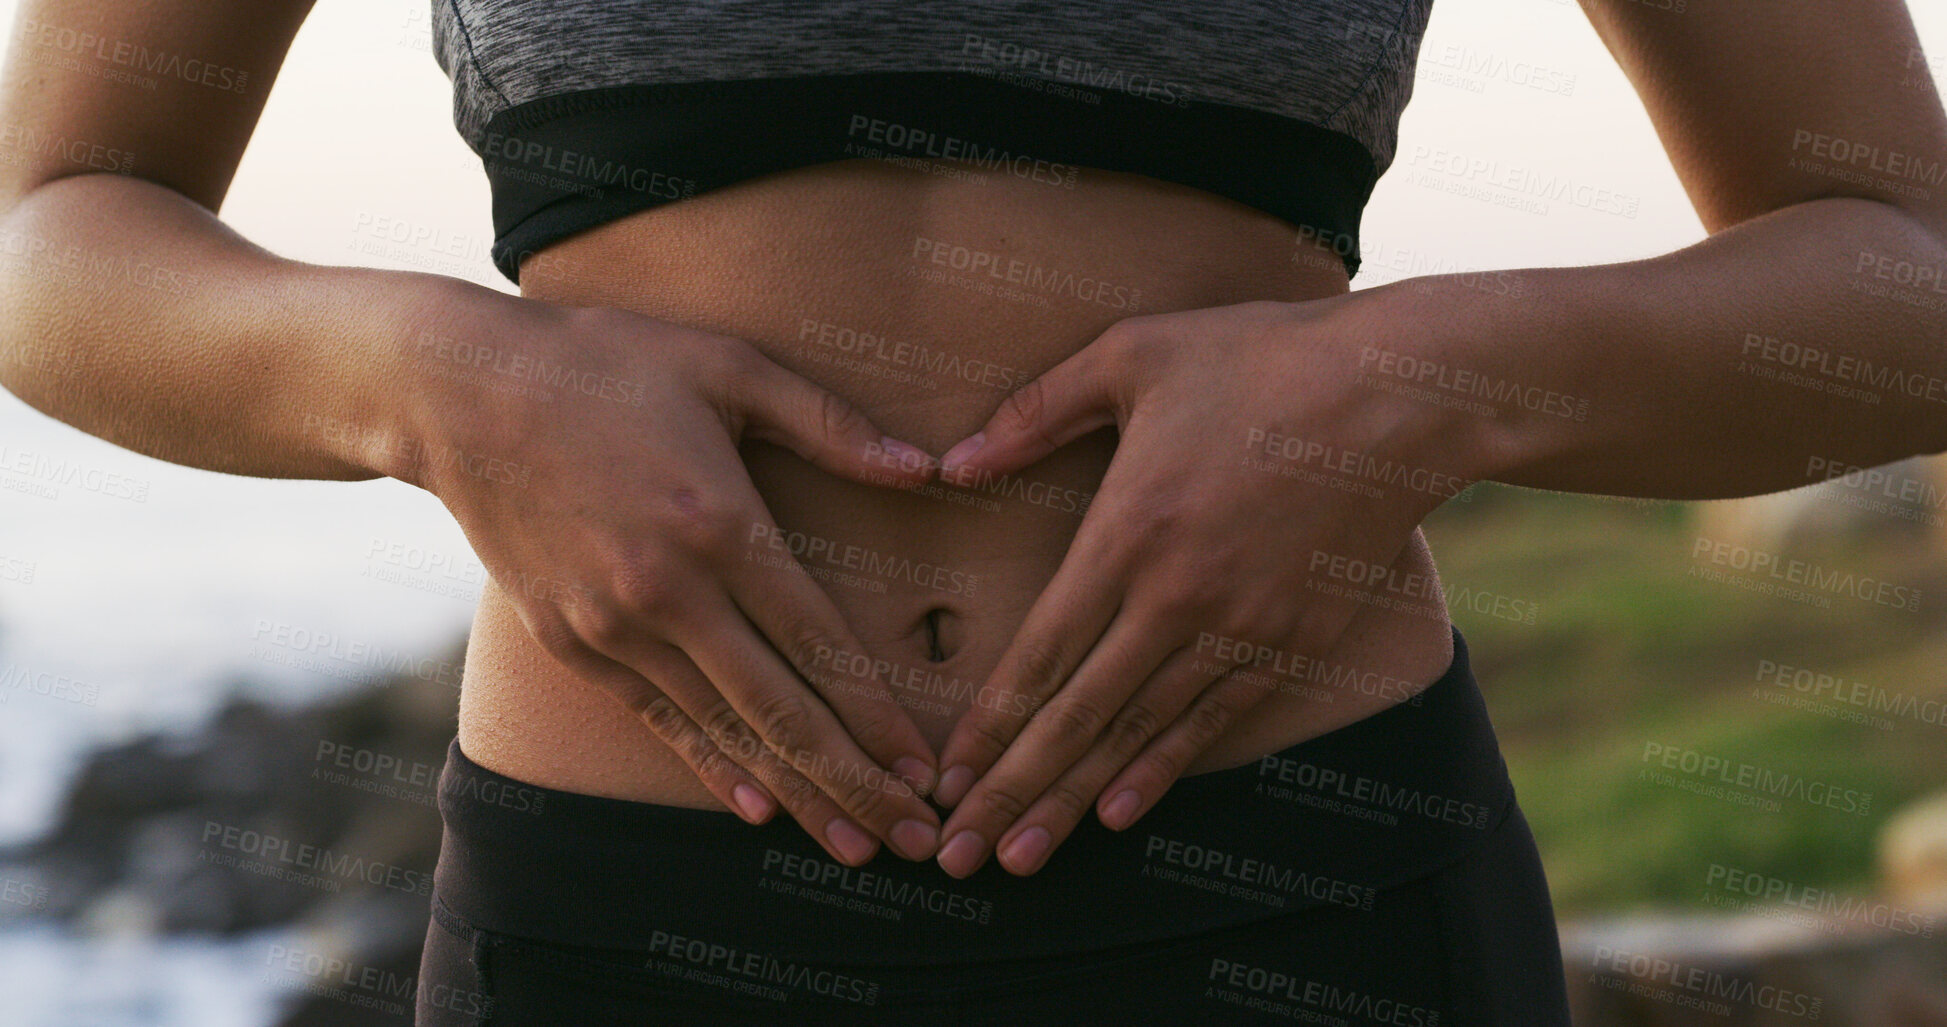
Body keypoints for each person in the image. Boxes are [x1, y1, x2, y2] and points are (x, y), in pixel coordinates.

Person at [2, 0, 1942, 1023]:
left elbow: (1900, 271)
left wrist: (1412, 381)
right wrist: (431, 379)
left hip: (1297, 889)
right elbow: (49, 228)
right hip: (627, 922)